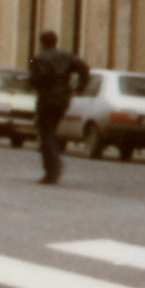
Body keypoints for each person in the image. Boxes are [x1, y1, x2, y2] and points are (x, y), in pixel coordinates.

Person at [29, 29, 90, 186]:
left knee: (46, 133)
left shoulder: (38, 58)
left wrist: (32, 83)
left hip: (46, 98)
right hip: (63, 97)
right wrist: (79, 87)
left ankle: (52, 169)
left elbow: (37, 79)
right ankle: (54, 163)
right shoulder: (67, 55)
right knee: (52, 130)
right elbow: (84, 68)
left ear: (41, 43)